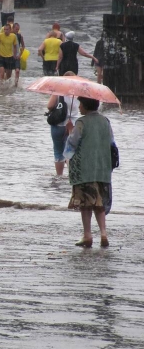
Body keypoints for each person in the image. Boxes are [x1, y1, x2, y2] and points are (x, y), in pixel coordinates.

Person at [63, 97, 114, 248]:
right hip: (103, 168)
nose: (79, 107)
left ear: (85, 106)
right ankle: (103, 234)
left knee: (85, 203)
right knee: (99, 203)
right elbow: (111, 142)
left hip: (84, 169)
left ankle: (87, 236)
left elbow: (72, 144)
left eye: (80, 104)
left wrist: (70, 130)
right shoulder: (105, 121)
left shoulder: (81, 123)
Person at [46, 71, 80, 176]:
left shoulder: (58, 91)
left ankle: (59, 176)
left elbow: (49, 106)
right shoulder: (79, 93)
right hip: (72, 125)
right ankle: (71, 176)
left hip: (57, 125)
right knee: (69, 152)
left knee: (58, 151)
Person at [13, 22, 25, 87]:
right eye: (16, 29)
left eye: (18, 29)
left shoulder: (19, 36)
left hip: (17, 56)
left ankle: (16, 84)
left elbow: (23, 46)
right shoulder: (9, 35)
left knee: (17, 71)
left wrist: (20, 55)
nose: (17, 31)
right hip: (9, 56)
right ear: (13, 28)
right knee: (7, 72)